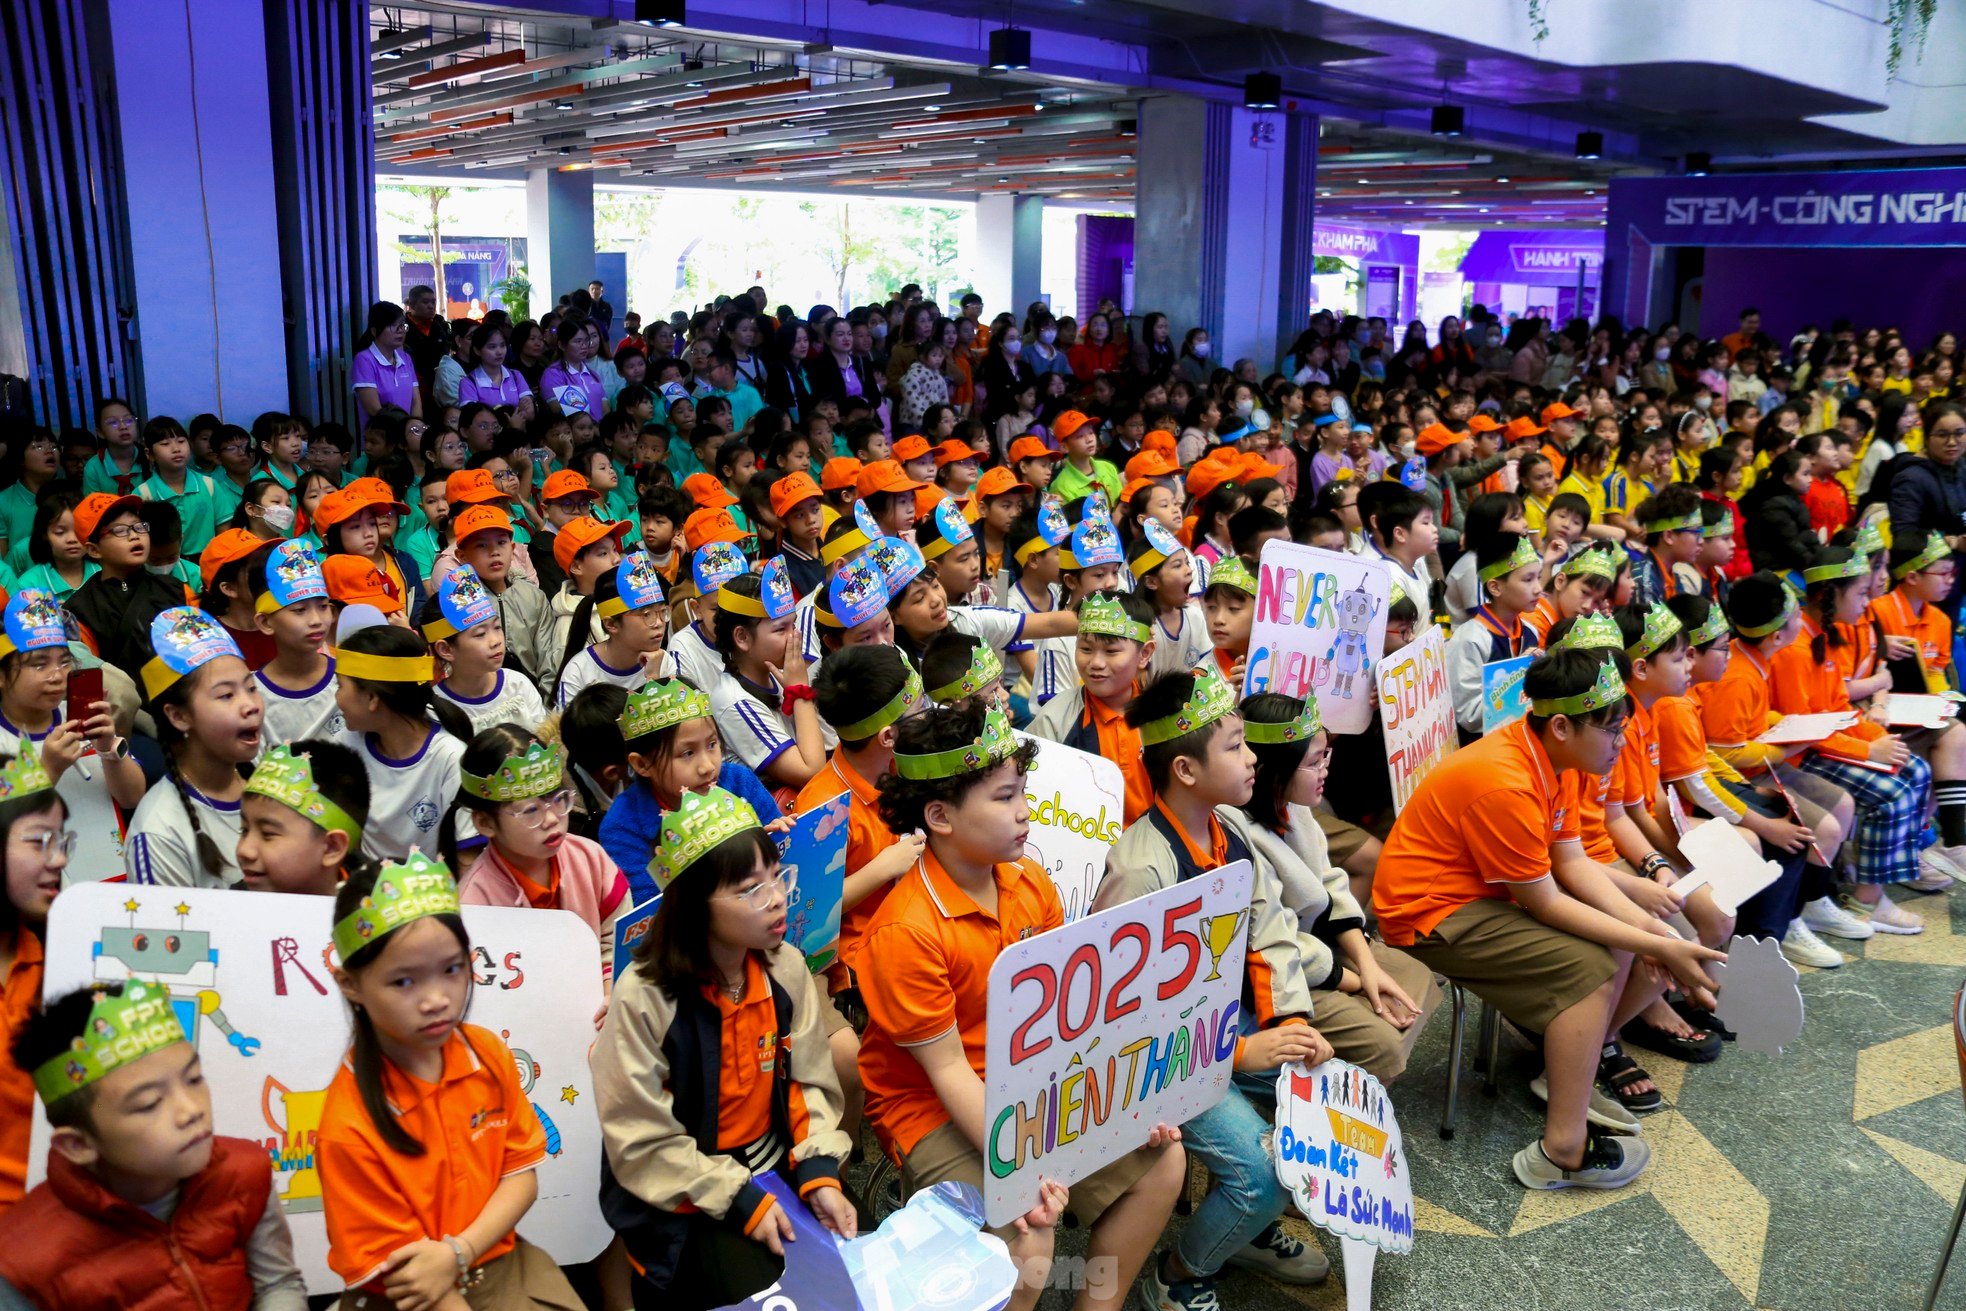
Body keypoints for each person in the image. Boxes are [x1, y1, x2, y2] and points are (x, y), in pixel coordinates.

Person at [858, 700, 1184, 1311]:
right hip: (933, 1104)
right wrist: (1020, 1164)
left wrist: (1131, 1099)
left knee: (1162, 1158)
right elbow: (949, 1070)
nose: (1026, 812)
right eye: (1005, 797)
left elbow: (1076, 1018)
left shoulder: (1029, 881)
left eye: (1022, 792)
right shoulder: (907, 930)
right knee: (1028, 1241)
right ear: (940, 816)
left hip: (1034, 1079)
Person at [1373, 648, 1726, 1190]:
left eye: (1623, 726)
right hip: (1430, 912)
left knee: (1628, 945)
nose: (1621, 743)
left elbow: (1571, 860)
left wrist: (1654, 934)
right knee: (1594, 969)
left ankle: (1567, 1075)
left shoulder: (1563, 759)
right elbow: (1547, 902)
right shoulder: (1504, 780)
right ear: (1561, 724)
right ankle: (1561, 1148)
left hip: (1484, 895)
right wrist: (1660, 942)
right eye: (1610, 730)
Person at [1092, 668, 1335, 1306]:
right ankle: (1179, 1275)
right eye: (1233, 745)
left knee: (1321, 1102)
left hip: (1226, 1030)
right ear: (1186, 771)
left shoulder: (1228, 832)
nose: (1253, 755)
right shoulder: (1142, 870)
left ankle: (1243, 1230)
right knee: (1261, 1172)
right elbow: (1125, 1022)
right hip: (1164, 1064)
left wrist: (1288, 1027)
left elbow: (1269, 937)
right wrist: (1233, 1058)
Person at [591, 786, 855, 1310]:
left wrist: (819, 1171)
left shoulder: (784, 967)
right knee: (758, 1293)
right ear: (692, 906)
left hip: (778, 1166)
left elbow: (808, 1084)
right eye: (749, 890)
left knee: (851, 1274)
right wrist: (737, 1197)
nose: (777, 897)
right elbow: (641, 1139)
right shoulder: (646, 996)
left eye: (775, 878)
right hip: (689, 1193)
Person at [318, 854, 582, 1308]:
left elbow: (520, 1177)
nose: (436, 999)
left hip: (499, 1266)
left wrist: (460, 1251)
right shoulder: (348, 1128)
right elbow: (411, 1281)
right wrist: (450, 1262)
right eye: (403, 982)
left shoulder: (488, 1053)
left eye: (452, 969)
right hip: (408, 1297)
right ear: (351, 984)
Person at [0, 980, 308, 1309]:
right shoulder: (22, 1261)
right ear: (78, 1144)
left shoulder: (243, 1172)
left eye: (194, 1079)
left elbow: (279, 1283)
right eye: (149, 1103)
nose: (191, 1110)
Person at [1239, 691, 1437, 1079]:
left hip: (1319, 946)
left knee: (1418, 981)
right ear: (1274, 770)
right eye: (1315, 762)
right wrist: (1357, 982)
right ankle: (1328, 1105)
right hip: (1276, 973)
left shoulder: (1292, 806)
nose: (1325, 769)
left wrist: (1367, 964)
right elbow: (1277, 940)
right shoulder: (1239, 831)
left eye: (1325, 755)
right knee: (1383, 1043)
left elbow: (1330, 883)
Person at [450, 727, 630, 983]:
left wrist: (609, 985)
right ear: (485, 823)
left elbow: (619, 935)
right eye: (530, 810)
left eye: (557, 799)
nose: (550, 819)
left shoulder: (590, 857)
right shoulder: (474, 906)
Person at [126, 608, 264, 888]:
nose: (250, 705)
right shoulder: (159, 831)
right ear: (178, 716)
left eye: (250, 688)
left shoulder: (272, 784)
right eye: (226, 695)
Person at [333, 620, 472, 863]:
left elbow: (467, 858)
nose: (336, 698)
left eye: (340, 686)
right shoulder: (346, 744)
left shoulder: (449, 758)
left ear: (372, 698)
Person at [0, 749, 66, 1212]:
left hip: (50, 1222)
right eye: (40, 841)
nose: (60, 859)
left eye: (63, 841)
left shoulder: (64, 964)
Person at [65, 493, 195, 674]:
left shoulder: (177, 590)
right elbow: (93, 675)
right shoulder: (81, 610)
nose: (134, 536)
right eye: (119, 530)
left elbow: (200, 652)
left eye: (139, 527)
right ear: (94, 550)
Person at [426, 563, 548, 736]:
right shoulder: (433, 710)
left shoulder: (518, 685)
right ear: (445, 649)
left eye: (497, 627)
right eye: (480, 634)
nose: (496, 641)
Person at [236, 740, 370, 896]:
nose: (244, 850)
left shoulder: (374, 915)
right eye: (244, 830)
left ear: (331, 847)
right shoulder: (226, 908)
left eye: (268, 834)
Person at [247, 540, 343, 746]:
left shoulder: (349, 679)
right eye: (300, 610)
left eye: (323, 606)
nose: (316, 620)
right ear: (265, 622)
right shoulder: (251, 697)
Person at [352, 301, 422, 421]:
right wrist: (403, 430)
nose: (401, 331)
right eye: (393, 325)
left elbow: (416, 402)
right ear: (374, 331)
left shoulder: (406, 358)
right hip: (382, 436)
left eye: (402, 325)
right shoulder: (364, 360)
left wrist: (414, 429)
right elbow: (374, 410)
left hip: (408, 436)